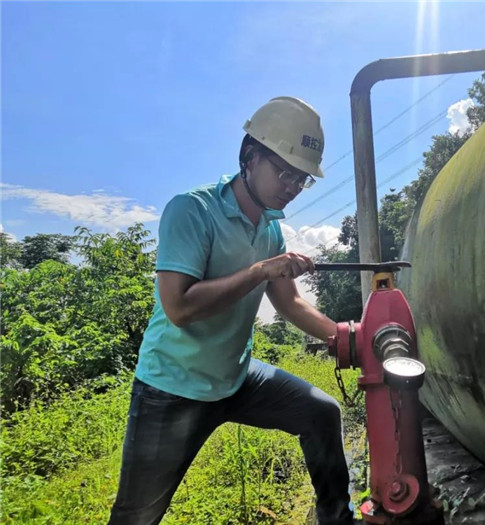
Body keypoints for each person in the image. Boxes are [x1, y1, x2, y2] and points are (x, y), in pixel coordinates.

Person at [109, 97, 356, 525]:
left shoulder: (271, 229)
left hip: (237, 378)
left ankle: (337, 518)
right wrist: (259, 270)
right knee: (138, 514)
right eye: (284, 171)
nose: (292, 186)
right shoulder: (192, 210)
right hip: (173, 388)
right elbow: (180, 307)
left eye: (301, 178)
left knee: (321, 412)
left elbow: (289, 302)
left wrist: (345, 336)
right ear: (249, 155)